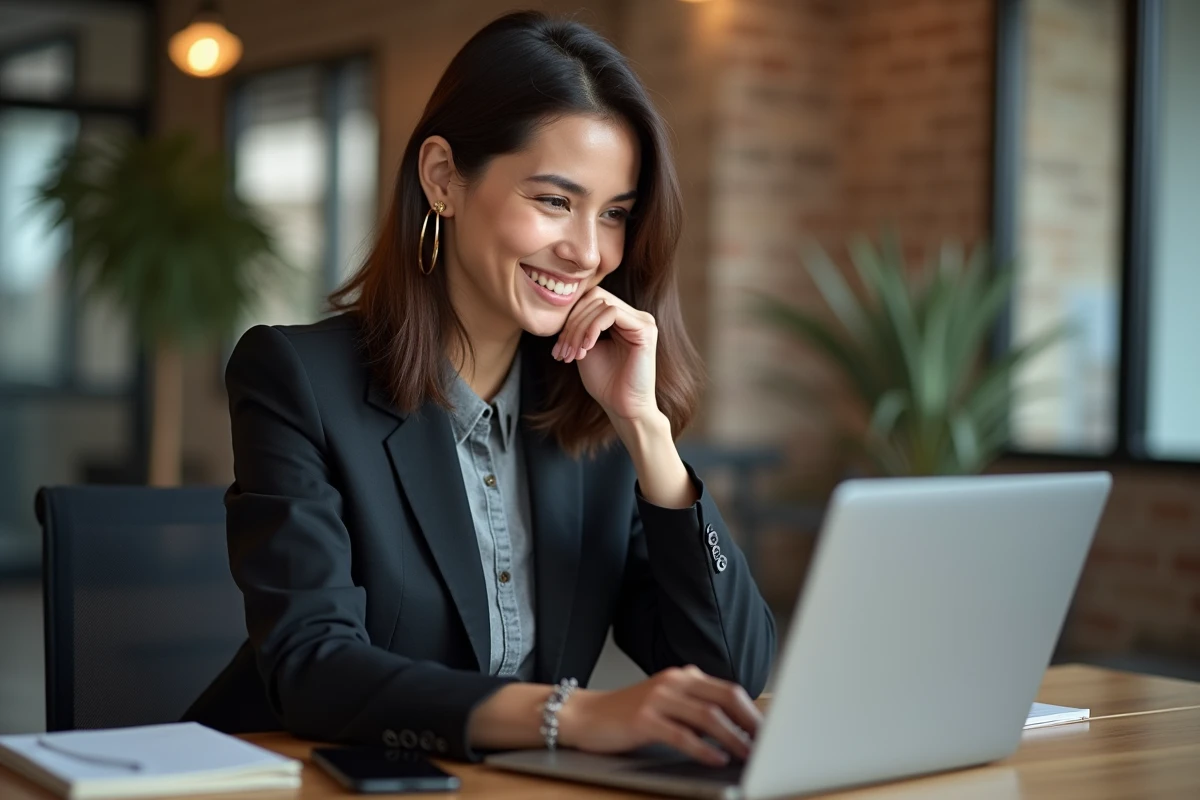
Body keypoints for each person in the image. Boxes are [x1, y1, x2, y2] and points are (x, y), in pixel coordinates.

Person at [186, 10, 776, 767]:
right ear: (443, 179)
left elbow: (731, 675)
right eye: (554, 201)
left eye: (615, 214)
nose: (587, 251)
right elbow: (313, 666)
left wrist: (646, 430)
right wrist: (570, 715)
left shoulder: (591, 410)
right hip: (298, 777)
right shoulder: (298, 379)